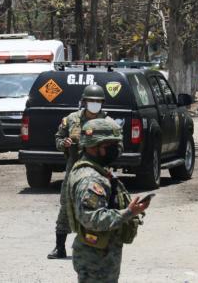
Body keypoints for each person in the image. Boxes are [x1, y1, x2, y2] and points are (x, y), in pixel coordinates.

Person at [67, 118, 150, 282]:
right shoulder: (91, 179)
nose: (116, 149)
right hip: (96, 260)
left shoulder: (96, 171)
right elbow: (91, 218)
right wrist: (128, 213)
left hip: (101, 254)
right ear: (93, 146)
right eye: (110, 145)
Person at [47, 84, 107, 259]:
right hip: (74, 170)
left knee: (96, 206)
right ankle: (60, 247)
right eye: (91, 101)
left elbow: (118, 146)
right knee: (66, 206)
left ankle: (96, 247)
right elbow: (58, 138)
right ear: (84, 101)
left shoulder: (107, 122)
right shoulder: (71, 120)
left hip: (97, 172)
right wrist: (63, 143)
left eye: (98, 101)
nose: (94, 104)